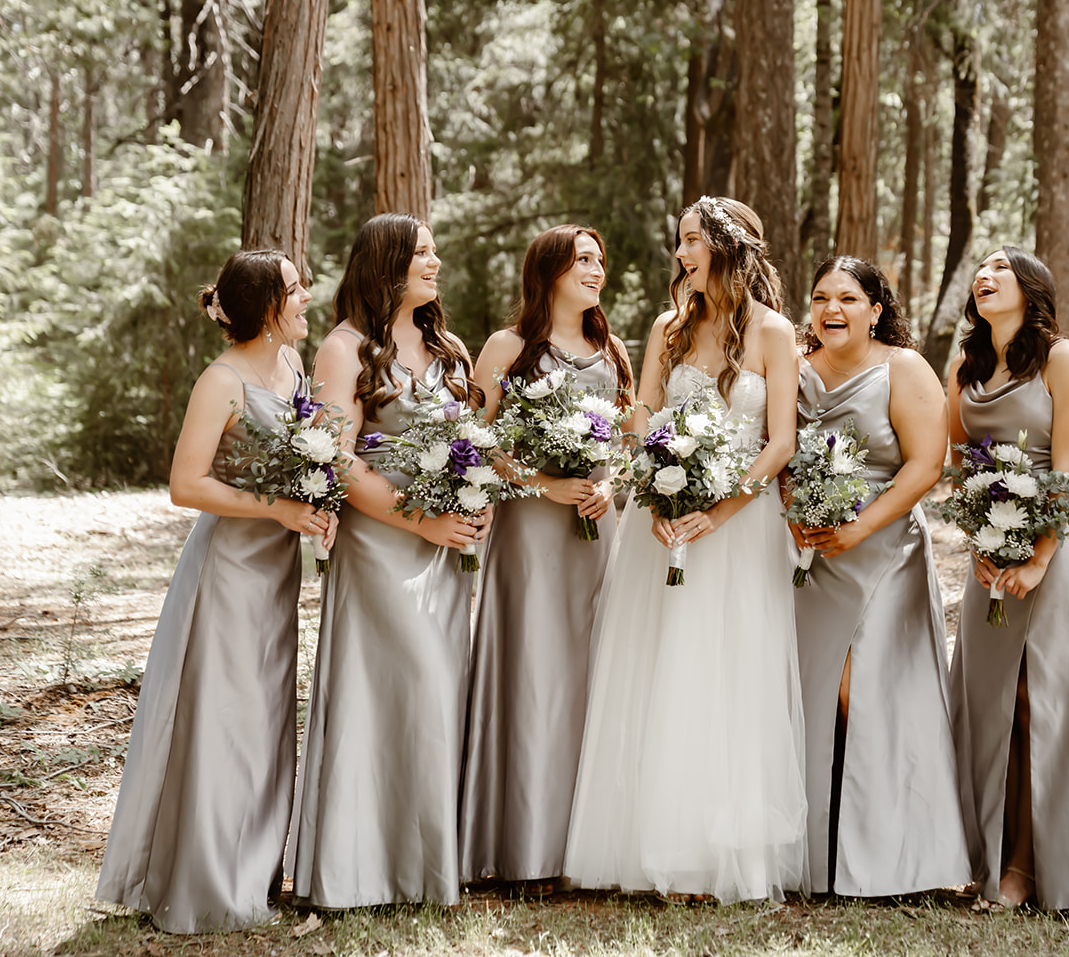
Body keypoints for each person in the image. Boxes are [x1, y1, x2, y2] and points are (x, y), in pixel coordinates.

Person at [564, 196, 808, 903]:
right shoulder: (667, 328)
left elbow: (781, 441)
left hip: (737, 528)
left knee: (727, 672)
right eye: (680, 241)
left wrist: (719, 510)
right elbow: (641, 414)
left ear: (728, 247)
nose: (681, 254)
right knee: (661, 668)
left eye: (693, 240)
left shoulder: (772, 333)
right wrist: (654, 479)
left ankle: (716, 851)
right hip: (663, 521)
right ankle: (656, 844)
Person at [97, 249, 328, 933]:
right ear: (264, 307)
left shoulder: (290, 369)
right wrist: (278, 508)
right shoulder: (220, 381)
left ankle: (255, 870)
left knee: (265, 717)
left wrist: (316, 501)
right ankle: (205, 881)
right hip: (228, 568)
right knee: (223, 718)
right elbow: (186, 485)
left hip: (278, 567)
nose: (308, 297)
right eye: (295, 289)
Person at [286, 212, 488, 909]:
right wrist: (421, 517)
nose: (436, 262)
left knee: (436, 696)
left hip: (443, 550)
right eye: (422, 253)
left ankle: (423, 866)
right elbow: (335, 458)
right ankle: (357, 870)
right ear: (387, 265)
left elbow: (469, 442)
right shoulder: (344, 348)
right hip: (380, 546)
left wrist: (476, 499)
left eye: (435, 250)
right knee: (388, 694)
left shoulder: (449, 347)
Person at [789, 257, 968, 897]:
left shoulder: (903, 367)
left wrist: (861, 526)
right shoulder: (795, 368)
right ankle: (820, 851)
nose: (830, 308)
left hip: (884, 545)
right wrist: (794, 518)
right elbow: (779, 451)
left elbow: (927, 464)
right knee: (813, 692)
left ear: (875, 308)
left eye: (847, 298)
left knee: (867, 692)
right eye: (819, 298)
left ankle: (896, 855)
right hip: (809, 551)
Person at [460, 225, 633, 887]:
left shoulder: (610, 349)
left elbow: (622, 437)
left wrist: (609, 482)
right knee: (534, 669)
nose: (596, 269)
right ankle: (525, 846)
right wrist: (542, 482)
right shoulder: (508, 346)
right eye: (583, 258)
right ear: (551, 270)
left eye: (600, 258)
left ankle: (586, 846)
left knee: (593, 671)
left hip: (594, 526)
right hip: (530, 532)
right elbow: (476, 441)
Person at [948, 248, 1069, 910]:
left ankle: (1025, 865)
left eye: (1000, 269)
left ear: (1032, 287)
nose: (984, 277)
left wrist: (1039, 554)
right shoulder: (967, 367)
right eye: (979, 271)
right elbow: (959, 463)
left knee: (1035, 702)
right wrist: (983, 540)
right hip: (989, 556)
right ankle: (975, 853)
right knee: (988, 705)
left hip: (1057, 554)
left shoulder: (1062, 360)